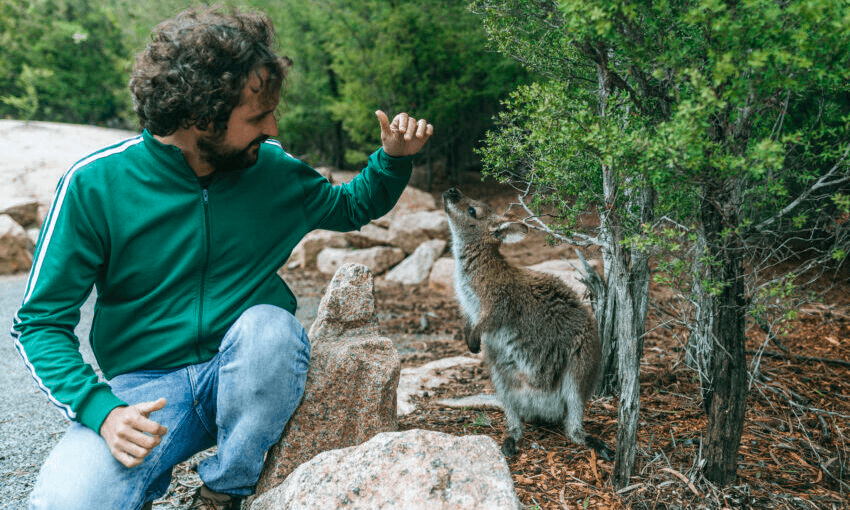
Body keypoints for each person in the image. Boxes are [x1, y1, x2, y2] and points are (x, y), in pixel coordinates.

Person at [11, 6, 433, 510]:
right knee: (64, 502)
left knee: (269, 330)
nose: (273, 128)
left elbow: (350, 205)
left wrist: (392, 159)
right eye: (258, 116)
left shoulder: (272, 169)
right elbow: (38, 322)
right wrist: (101, 410)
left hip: (250, 369)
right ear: (199, 116)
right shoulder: (94, 185)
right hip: (146, 395)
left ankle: (224, 491)